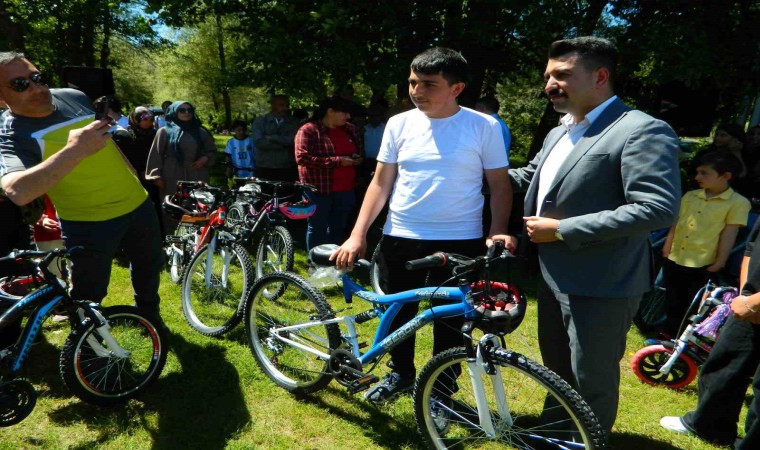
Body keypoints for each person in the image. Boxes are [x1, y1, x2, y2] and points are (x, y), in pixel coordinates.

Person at [505, 37, 680, 436]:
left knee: (591, 377)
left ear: (600, 77)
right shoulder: (560, 131)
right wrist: (473, 172)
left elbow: (656, 208)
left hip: (604, 280)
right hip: (553, 274)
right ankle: (556, 434)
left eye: (562, 75)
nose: (550, 84)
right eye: (548, 76)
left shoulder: (641, 130)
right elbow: (532, 178)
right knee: (557, 368)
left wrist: (562, 230)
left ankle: (587, 441)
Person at [331, 47, 512, 403]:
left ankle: (441, 390)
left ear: (456, 88)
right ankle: (400, 373)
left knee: (453, 321)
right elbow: (380, 183)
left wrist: (498, 230)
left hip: (461, 239)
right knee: (397, 312)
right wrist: (357, 234)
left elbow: (500, 185)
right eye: (413, 82)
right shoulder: (399, 124)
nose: (417, 91)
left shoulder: (484, 126)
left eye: (429, 84)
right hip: (401, 235)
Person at [0, 51, 166, 329]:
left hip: (138, 206)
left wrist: (136, 181)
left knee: (149, 267)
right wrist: (75, 149)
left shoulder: (74, 97)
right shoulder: (11, 134)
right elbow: (18, 191)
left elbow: (106, 143)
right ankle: (88, 344)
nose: (37, 88)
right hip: (88, 223)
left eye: (37, 77)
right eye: (20, 84)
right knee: (89, 293)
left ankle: (150, 318)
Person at [660, 217, 760, 450]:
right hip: (747, 304)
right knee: (725, 361)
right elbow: (751, 249)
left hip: (753, 304)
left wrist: (755, 303)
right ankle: (708, 426)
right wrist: (745, 295)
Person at [661, 151, 750, 336]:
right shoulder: (691, 196)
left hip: (702, 262)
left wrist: (720, 261)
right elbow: (677, 223)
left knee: (692, 303)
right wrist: (667, 245)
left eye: (704, 173)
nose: (697, 177)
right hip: (676, 255)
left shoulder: (738, 203)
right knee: (672, 298)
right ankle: (667, 333)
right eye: (697, 172)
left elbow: (729, 233)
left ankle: (682, 337)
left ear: (725, 176)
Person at [295, 96, 362, 250]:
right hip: (318, 190)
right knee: (317, 227)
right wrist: (337, 161)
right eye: (344, 113)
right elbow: (302, 158)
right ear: (330, 111)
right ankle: (315, 259)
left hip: (346, 189)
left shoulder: (350, 129)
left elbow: (358, 150)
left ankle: (333, 260)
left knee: (338, 228)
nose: (348, 117)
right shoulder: (309, 130)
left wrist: (356, 158)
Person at [146, 100, 216, 233]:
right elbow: (156, 154)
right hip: (172, 175)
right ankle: (174, 237)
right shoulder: (164, 131)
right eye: (182, 110)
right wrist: (156, 176)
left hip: (196, 173)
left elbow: (211, 151)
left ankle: (197, 237)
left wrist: (205, 158)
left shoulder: (200, 131)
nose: (186, 113)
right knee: (173, 206)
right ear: (174, 112)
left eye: (189, 110)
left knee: (198, 205)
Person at [112, 106, 164, 235]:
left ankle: (161, 233)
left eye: (151, 118)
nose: (149, 121)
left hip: (156, 176)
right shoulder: (126, 136)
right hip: (137, 177)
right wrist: (140, 172)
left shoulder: (157, 134)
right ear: (136, 119)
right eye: (145, 119)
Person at [250, 94, 300, 182]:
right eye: (281, 105)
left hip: (287, 167)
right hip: (265, 167)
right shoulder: (260, 121)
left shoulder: (294, 122)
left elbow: (294, 140)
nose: (285, 108)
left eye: (287, 105)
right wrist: (283, 145)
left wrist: (273, 138)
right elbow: (259, 142)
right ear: (272, 105)